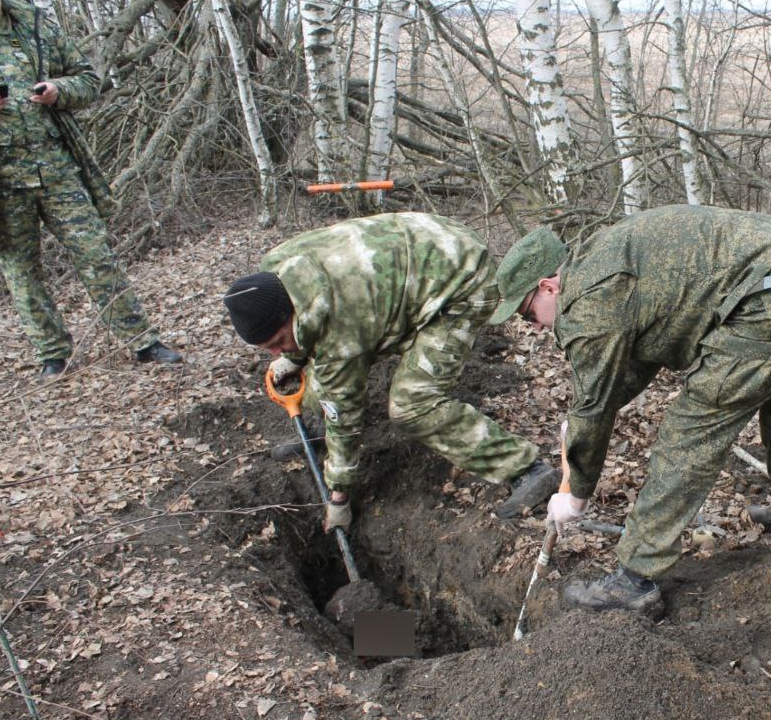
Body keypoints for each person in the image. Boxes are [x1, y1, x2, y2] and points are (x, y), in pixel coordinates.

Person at [491, 204, 771, 617]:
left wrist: (576, 494)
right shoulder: (604, 259)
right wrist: (583, 418)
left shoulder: (588, 302)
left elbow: (593, 403)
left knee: (691, 430)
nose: (534, 326)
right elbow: (640, 351)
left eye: (527, 313)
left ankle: (634, 580)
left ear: (548, 287)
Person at [222, 213, 560, 533]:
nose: (275, 353)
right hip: (419, 256)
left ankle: (525, 469)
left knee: (413, 405)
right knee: (318, 370)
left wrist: (338, 496)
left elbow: (344, 409)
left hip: (460, 284)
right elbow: (309, 341)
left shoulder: (341, 323)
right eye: (267, 348)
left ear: (288, 314)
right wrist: (292, 357)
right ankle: (319, 432)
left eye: (278, 341)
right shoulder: (273, 275)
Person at [0, 0, 181, 379]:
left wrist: (59, 91)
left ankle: (143, 342)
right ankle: (52, 353)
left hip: (57, 167)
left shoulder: (34, 26)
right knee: (21, 272)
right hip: (2, 185)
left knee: (96, 254)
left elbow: (88, 79)